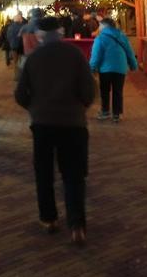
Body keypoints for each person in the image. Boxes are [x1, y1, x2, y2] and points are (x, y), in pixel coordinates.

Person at [15, 16, 95, 245]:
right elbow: (89, 90)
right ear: (60, 33)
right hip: (73, 124)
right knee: (73, 175)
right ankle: (77, 224)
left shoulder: (32, 59)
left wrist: (35, 108)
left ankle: (49, 218)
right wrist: (79, 107)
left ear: (40, 35)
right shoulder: (75, 55)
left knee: (44, 173)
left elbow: (21, 94)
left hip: (42, 124)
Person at [89, 16, 137, 123]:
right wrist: (133, 65)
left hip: (105, 69)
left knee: (105, 91)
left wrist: (91, 69)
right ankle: (117, 114)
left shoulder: (100, 38)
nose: (99, 27)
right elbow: (129, 51)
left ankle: (105, 111)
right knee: (118, 91)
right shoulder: (122, 36)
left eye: (100, 25)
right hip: (120, 68)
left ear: (104, 26)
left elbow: (96, 56)